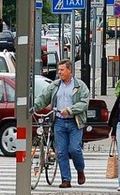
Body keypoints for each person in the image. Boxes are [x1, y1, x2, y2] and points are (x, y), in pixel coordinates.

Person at [32, 59, 89, 189]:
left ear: (70, 71)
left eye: (62, 70)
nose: (59, 72)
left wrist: (70, 110)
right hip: (59, 122)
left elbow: (84, 103)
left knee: (74, 149)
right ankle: (66, 179)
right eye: (59, 70)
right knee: (61, 152)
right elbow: (43, 97)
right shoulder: (55, 85)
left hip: (75, 122)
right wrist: (34, 107)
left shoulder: (80, 86)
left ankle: (80, 170)